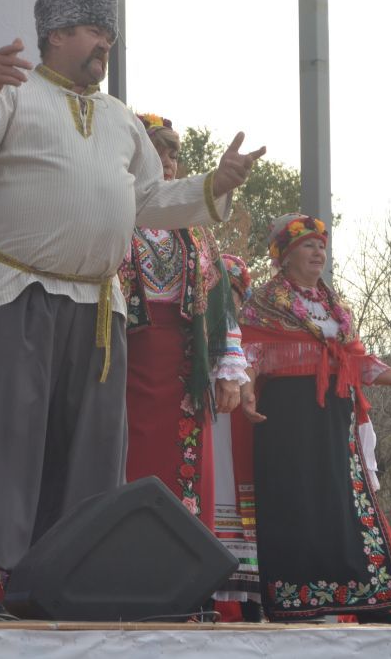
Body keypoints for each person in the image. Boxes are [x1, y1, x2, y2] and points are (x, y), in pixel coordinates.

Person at [0, 0, 264, 610]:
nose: (105, 44)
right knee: (7, 435)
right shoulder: (15, 94)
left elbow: (150, 199)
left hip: (99, 304)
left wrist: (215, 184)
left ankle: (63, 579)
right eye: (94, 32)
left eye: (110, 35)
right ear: (57, 35)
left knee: (89, 447)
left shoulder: (119, 119)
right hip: (20, 288)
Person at [238, 214, 391, 624]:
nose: (318, 253)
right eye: (308, 245)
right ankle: (296, 600)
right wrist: (245, 391)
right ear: (285, 254)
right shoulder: (264, 302)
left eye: (321, 246)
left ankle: (369, 600)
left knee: (346, 499)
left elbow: (357, 361)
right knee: (295, 499)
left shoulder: (336, 307)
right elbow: (249, 353)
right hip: (287, 414)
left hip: (335, 412)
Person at [118, 114, 249, 532]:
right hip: (123, 364)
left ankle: (185, 559)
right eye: (155, 151)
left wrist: (229, 371)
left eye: (172, 154)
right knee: (126, 461)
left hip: (184, 371)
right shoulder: (113, 217)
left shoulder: (195, 230)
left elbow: (220, 303)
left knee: (184, 469)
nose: (166, 161)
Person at [210, 254, 264, 621]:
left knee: (244, 518)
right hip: (208, 434)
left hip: (239, 440)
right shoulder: (197, 333)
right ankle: (205, 594)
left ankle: (250, 600)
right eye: (219, 292)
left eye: (233, 293)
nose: (227, 301)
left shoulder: (252, 338)